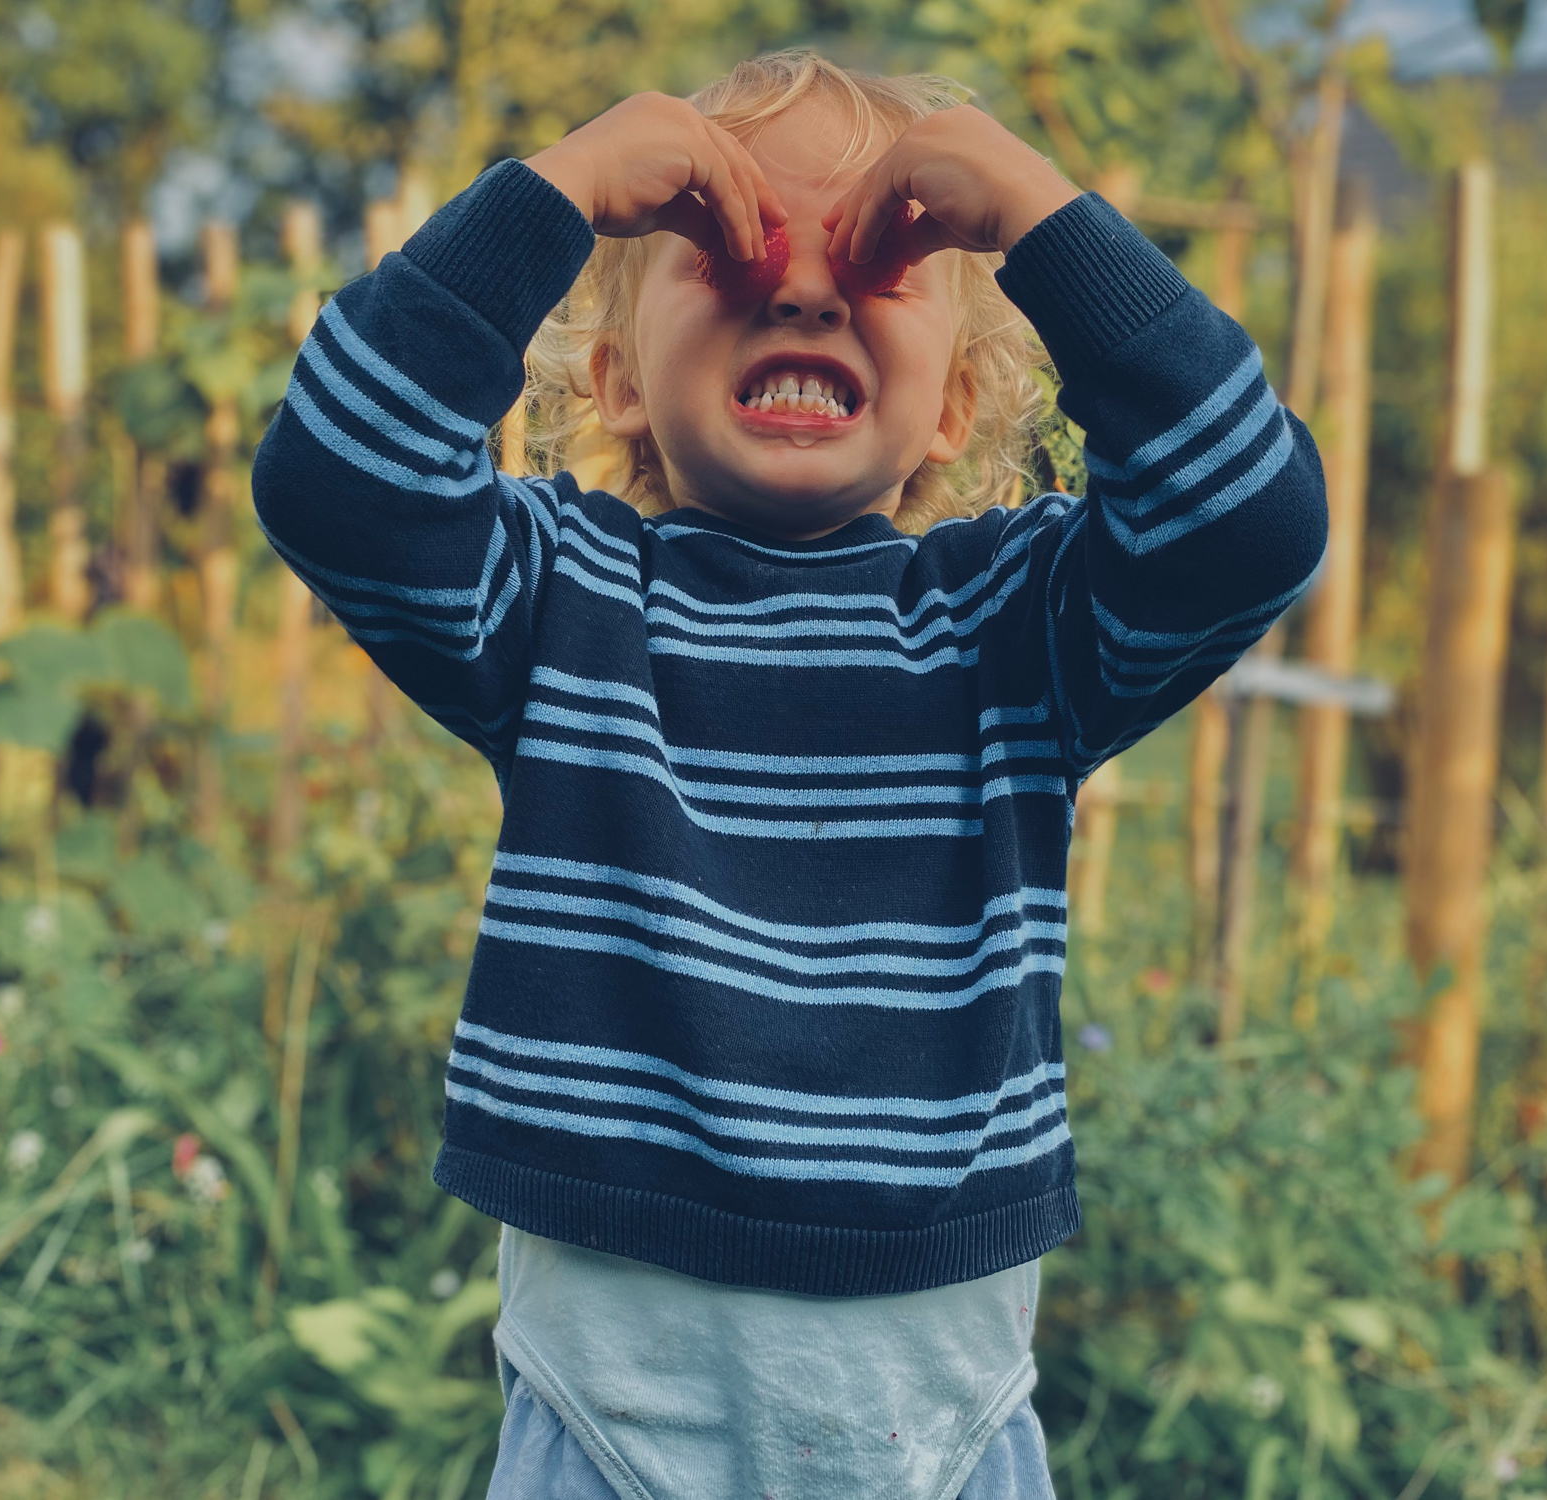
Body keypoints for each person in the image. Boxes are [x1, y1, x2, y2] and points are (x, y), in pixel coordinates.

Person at [253, 49, 1326, 1500]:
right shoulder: (563, 602)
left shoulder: (1021, 627)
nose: (805, 291)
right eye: (729, 252)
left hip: (938, 1427)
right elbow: (336, 478)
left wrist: (1036, 215)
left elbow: (1251, 521)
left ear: (952, 407)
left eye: (879, 264)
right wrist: (562, 188)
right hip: (614, 1420)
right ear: (618, 383)